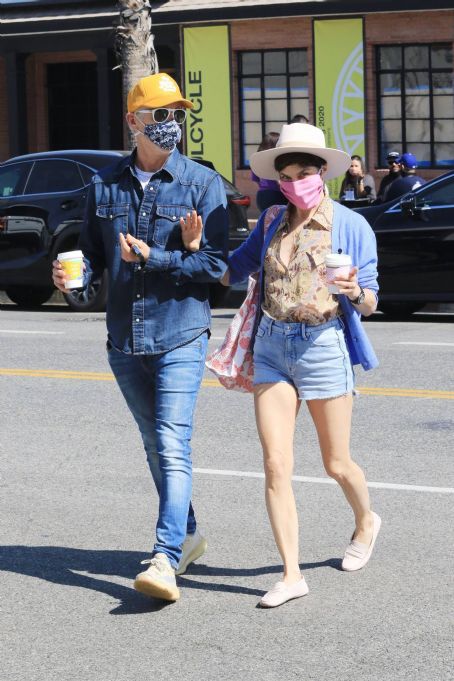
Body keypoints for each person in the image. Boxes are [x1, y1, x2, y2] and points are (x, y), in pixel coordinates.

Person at [52, 72, 229, 603]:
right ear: (134, 120)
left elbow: (216, 266)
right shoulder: (103, 185)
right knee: (154, 444)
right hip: (124, 340)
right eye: (159, 114)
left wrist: (162, 256)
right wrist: (70, 283)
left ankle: (166, 557)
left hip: (181, 333)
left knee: (173, 444)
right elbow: (91, 258)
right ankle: (190, 533)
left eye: (177, 114)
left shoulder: (202, 184)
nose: (170, 123)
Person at [221, 123, 382, 608]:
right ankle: (292, 575)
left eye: (306, 172)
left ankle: (366, 520)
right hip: (271, 345)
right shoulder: (271, 220)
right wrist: (185, 251)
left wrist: (354, 290)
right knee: (275, 463)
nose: (297, 182)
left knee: (336, 462)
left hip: (322, 345)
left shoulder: (351, 225)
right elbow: (235, 267)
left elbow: (372, 301)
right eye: (287, 175)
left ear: (324, 172)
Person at [251, 132, 287, 211]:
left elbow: (255, 179)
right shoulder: (274, 160)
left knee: (267, 221)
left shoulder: (257, 159)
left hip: (261, 195)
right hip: (276, 194)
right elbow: (279, 180)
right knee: (280, 221)